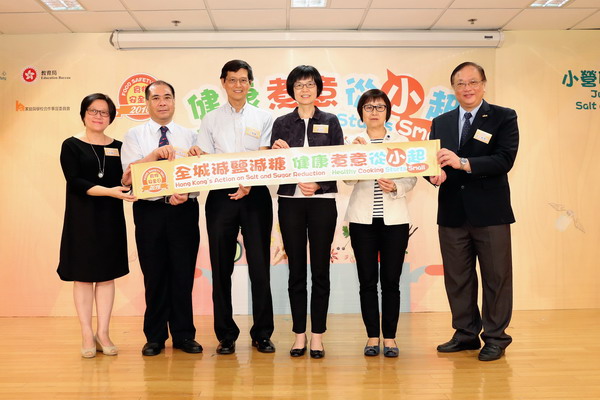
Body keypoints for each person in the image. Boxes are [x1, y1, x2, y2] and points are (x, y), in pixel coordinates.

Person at [428, 62, 519, 361]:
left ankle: (495, 338)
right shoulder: (440, 122)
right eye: (460, 83)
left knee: (496, 277)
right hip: (452, 213)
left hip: (490, 213)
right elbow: (430, 162)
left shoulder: (504, 116)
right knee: (457, 278)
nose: (467, 88)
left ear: (483, 84)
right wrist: (433, 175)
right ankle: (465, 333)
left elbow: (504, 159)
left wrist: (463, 163)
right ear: (453, 88)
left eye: (473, 82)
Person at [193, 60, 275, 355]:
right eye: (232, 80)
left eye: (243, 80)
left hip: (256, 195)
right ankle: (226, 335)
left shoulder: (264, 117)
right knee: (221, 267)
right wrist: (196, 154)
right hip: (220, 195)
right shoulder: (210, 118)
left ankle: (262, 334)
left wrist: (249, 182)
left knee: (260, 267)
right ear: (223, 83)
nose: (238, 85)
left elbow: (264, 155)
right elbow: (203, 155)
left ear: (250, 83)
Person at [121, 80, 202, 356]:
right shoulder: (134, 135)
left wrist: (187, 191)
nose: (162, 102)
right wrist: (154, 155)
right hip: (150, 212)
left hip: (184, 210)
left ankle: (184, 335)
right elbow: (128, 176)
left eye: (167, 97)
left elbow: (198, 172)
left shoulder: (190, 135)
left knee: (182, 273)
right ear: (147, 103)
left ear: (174, 101)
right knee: (154, 274)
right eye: (156, 98)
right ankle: (155, 337)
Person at [271, 65, 344, 359]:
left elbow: (340, 161)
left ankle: (317, 336)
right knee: (296, 270)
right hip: (290, 202)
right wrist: (274, 154)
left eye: (310, 84)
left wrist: (319, 184)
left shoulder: (330, 120)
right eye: (299, 85)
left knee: (321, 270)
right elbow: (274, 166)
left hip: (322, 202)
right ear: (292, 90)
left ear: (318, 89)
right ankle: (299, 334)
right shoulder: (281, 123)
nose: (304, 90)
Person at [58, 93, 136, 358]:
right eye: (93, 111)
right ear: (83, 114)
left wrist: (127, 183)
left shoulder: (120, 147)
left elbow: (124, 182)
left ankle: (103, 333)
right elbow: (75, 181)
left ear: (111, 117)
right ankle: (86, 333)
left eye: (104, 112)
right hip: (81, 219)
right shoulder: (71, 145)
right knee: (82, 277)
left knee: (106, 276)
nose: (98, 116)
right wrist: (110, 191)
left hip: (110, 219)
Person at [344, 89, 417, 358]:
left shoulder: (401, 141)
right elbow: (347, 180)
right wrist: (355, 155)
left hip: (395, 221)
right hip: (362, 220)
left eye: (379, 107)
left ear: (387, 111)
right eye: (368, 107)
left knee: (391, 282)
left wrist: (396, 186)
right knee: (366, 281)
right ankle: (372, 336)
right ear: (361, 112)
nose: (374, 112)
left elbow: (412, 177)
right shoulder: (353, 141)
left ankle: (390, 338)